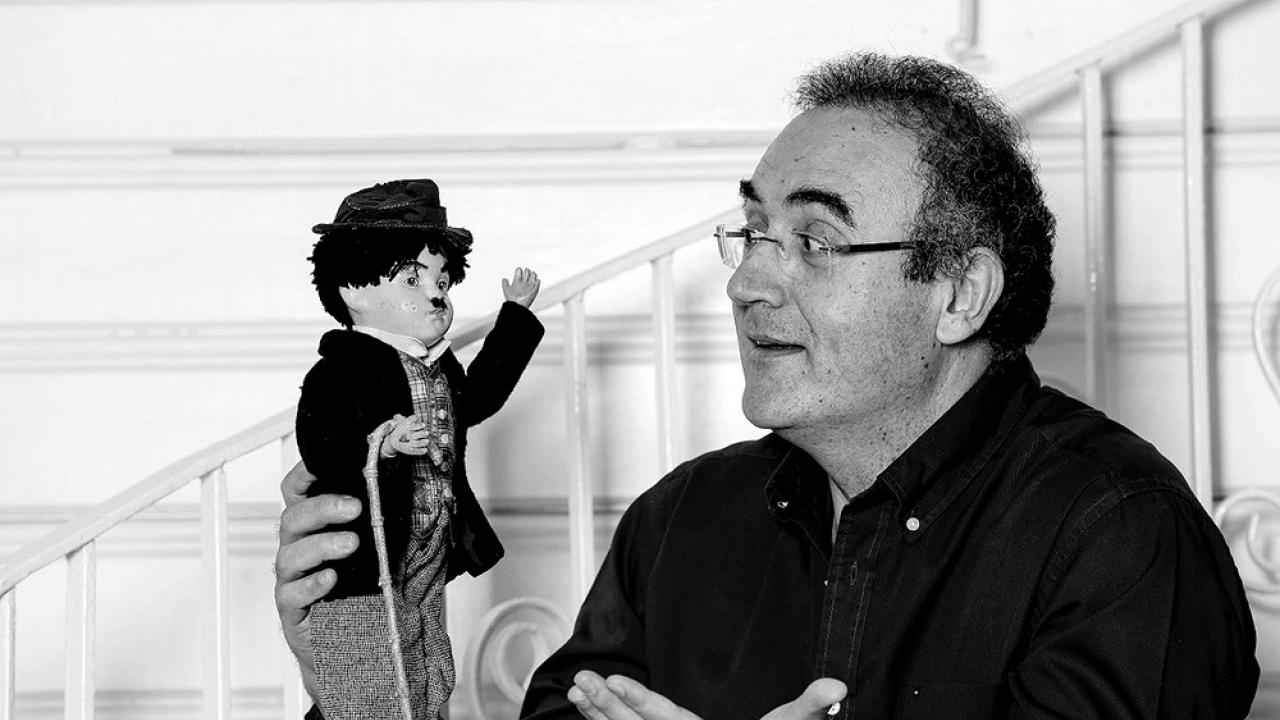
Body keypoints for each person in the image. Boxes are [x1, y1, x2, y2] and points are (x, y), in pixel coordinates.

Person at [275, 54, 1259, 720]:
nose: (748, 279)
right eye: (752, 231)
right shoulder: (680, 524)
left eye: (815, 240)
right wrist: (361, 683)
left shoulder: (1120, 535)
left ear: (959, 293)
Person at [296, 178, 543, 720]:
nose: (436, 293)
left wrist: (515, 317)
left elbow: (478, 399)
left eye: (442, 280)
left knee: (427, 661)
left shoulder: (437, 366)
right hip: (370, 553)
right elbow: (320, 444)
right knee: (368, 669)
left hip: (429, 543)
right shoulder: (341, 368)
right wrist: (382, 443)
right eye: (412, 278)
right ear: (353, 289)